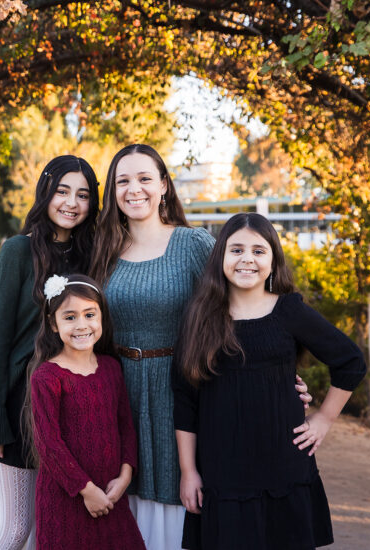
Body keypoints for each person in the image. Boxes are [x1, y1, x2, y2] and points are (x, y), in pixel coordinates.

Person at [90, 145, 312, 550]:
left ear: (163, 185)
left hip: (185, 391)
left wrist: (280, 375)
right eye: (123, 181)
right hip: (118, 391)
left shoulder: (193, 244)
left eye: (144, 178)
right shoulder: (102, 250)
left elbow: (244, 307)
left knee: (184, 499)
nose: (134, 189)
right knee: (121, 497)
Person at [172, 212, 367, 550]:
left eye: (259, 251)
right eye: (236, 250)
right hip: (223, 473)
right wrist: (189, 472)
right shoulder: (199, 316)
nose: (247, 259)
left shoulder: (289, 311)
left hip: (284, 469)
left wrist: (324, 418)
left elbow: (350, 361)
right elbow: (185, 400)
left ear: (274, 260)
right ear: (220, 258)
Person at [0, 156, 99, 550]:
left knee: (51, 526)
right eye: (62, 191)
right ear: (45, 192)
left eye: (83, 195)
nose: (72, 203)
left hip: (73, 403)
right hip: (20, 404)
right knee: (16, 527)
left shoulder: (93, 255)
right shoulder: (17, 251)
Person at [28, 274, 146, 550]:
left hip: (111, 495)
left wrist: (125, 476)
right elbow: (49, 445)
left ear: (102, 317)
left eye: (89, 314)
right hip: (66, 501)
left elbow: (125, 426)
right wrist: (87, 491)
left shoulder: (111, 368)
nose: (81, 325)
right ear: (53, 324)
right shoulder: (47, 377)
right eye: (70, 317)